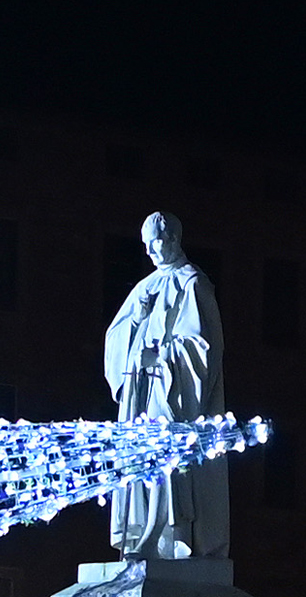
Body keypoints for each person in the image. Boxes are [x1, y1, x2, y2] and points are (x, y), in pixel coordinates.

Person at [104, 212, 227, 559]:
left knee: (162, 456)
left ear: (173, 239)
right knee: (142, 456)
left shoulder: (193, 283)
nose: (150, 251)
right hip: (141, 390)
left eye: (155, 242)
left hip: (170, 389)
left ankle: (160, 533)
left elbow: (203, 346)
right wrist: (136, 322)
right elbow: (116, 337)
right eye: (145, 245)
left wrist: (161, 357)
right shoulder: (145, 287)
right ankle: (146, 531)